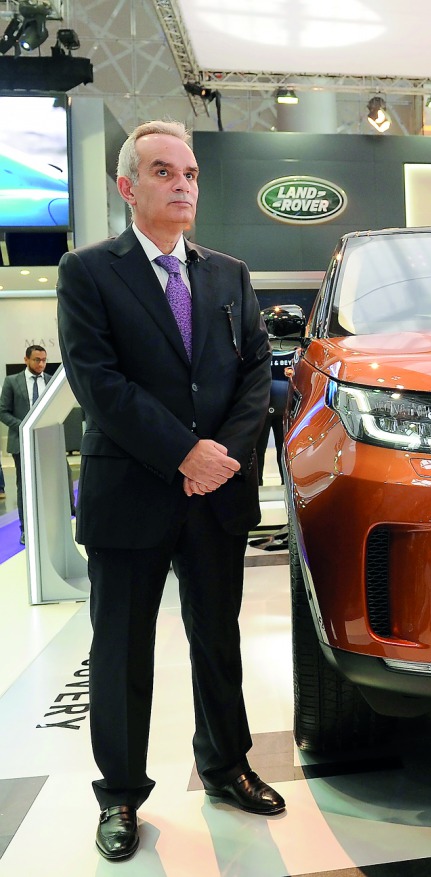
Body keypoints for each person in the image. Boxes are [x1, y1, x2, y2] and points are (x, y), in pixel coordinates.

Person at [56, 120, 280, 862]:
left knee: (217, 639)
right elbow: (100, 385)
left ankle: (225, 765)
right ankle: (120, 793)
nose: (182, 183)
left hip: (216, 494)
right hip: (132, 494)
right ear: (127, 187)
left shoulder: (229, 274)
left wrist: (221, 458)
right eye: (163, 171)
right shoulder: (88, 273)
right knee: (122, 649)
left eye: (188, 172)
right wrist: (184, 450)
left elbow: (254, 374)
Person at [0, 345, 49, 544]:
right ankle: (25, 529)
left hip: (47, 441)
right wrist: (25, 426)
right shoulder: (12, 381)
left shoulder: (50, 380)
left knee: (48, 486)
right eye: (37, 360)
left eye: (44, 360)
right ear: (26, 360)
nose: (41, 364)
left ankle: (47, 528)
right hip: (21, 443)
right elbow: (3, 411)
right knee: (25, 487)